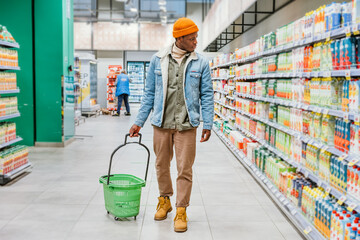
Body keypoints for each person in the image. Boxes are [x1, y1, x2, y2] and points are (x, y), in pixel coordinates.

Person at [129, 17, 214, 232]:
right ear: (180, 38)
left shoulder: (201, 62)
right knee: (161, 165)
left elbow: (207, 95)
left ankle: (181, 209)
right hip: (161, 123)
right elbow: (149, 94)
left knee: (184, 168)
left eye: (196, 37)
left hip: (187, 124)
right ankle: (164, 200)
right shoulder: (158, 60)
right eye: (192, 38)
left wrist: (208, 123)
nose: (196, 41)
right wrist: (138, 122)